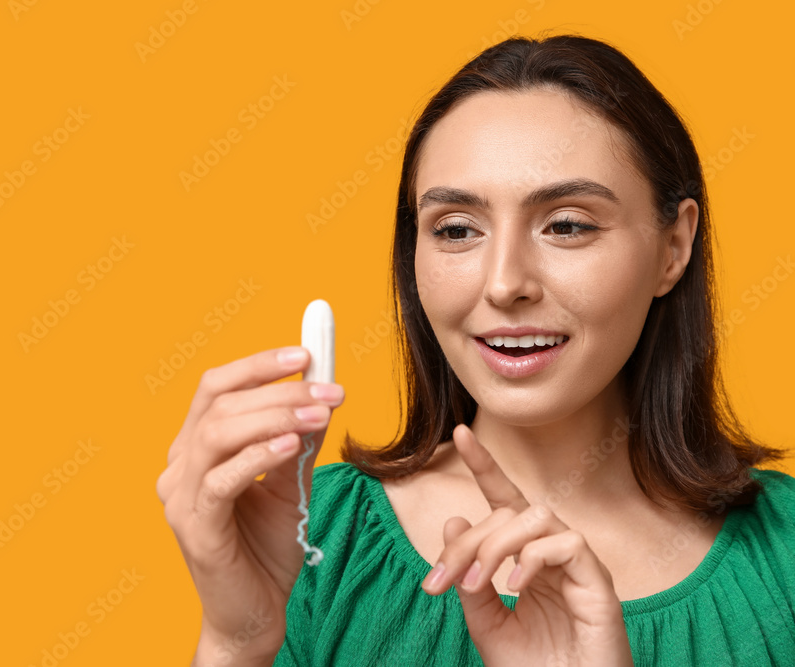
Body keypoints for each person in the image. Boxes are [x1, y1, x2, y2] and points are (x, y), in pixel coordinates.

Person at [157, 32, 795, 666]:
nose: (503, 283)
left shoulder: (784, 553)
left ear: (674, 248)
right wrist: (233, 642)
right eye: (457, 229)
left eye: (566, 224)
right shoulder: (314, 535)